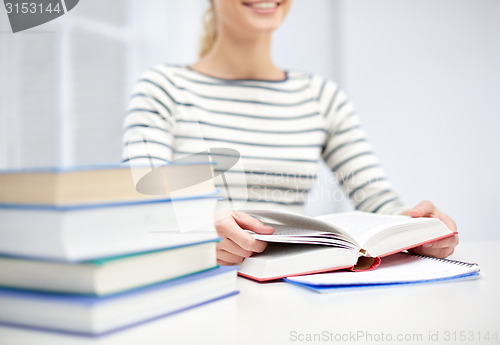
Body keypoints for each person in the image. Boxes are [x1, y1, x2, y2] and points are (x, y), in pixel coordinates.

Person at [122, 0, 458, 265]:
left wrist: (416, 230)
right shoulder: (163, 88)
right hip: (198, 289)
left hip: (291, 286)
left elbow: (378, 200)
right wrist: (197, 228)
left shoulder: (321, 97)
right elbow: (135, 204)